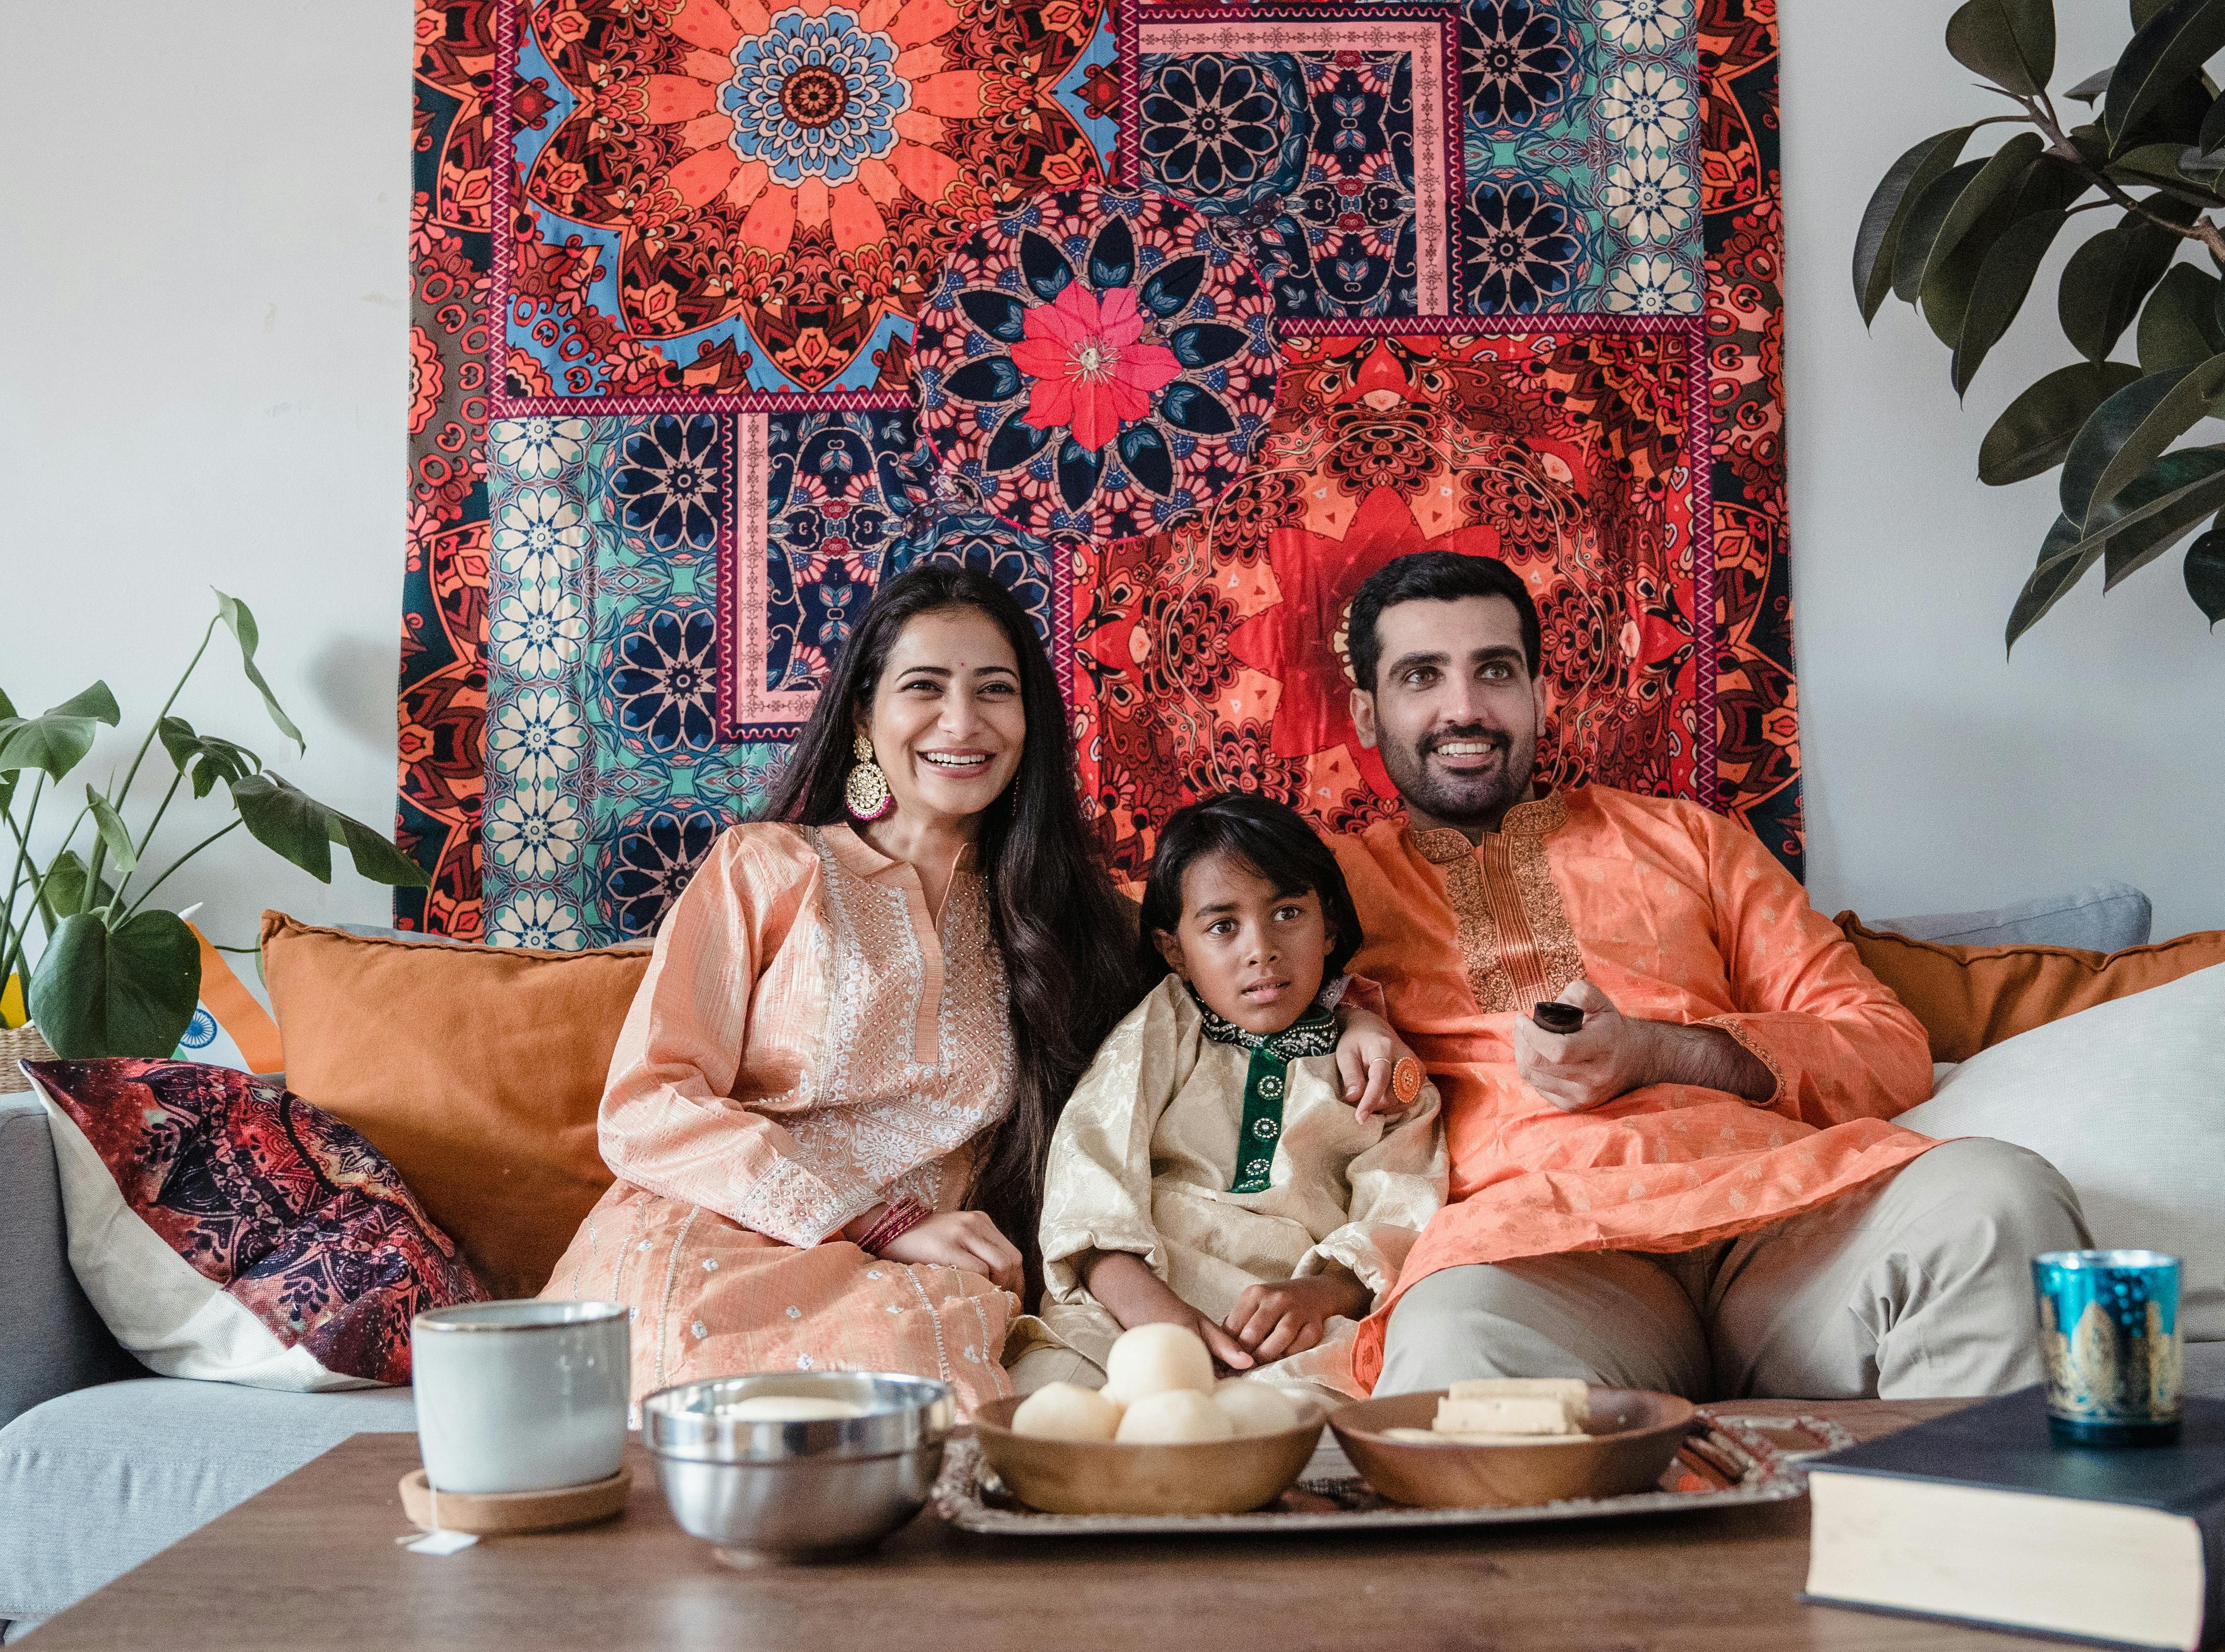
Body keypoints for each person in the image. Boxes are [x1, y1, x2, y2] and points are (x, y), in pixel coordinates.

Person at [543, 568, 1408, 1415]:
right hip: (717, 1233)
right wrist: (871, 1219)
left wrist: (1356, 1013)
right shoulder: (765, 869)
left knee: (921, 1410)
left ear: (1028, 722)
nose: (962, 721)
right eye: (924, 686)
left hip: (914, 1284)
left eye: (994, 691)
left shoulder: (1073, 921)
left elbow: (1236, 981)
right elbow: (648, 1102)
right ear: (862, 714)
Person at [1326, 552, 2089, 1403]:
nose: (1463, 709)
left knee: (1997, 1200)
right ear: (1367, 711)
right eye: (1421, 677)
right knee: (1454, 1355)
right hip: (1537, 1259)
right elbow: (1186, 961)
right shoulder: (1318, 894)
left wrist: (1659, 1052)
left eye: (1494, 671)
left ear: (1540, 692)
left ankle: (1939, 1536)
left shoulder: (1689, 843)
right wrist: (1346, 1010)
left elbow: (1885, 1046)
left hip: (1784, 1225)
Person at [1012, 793, 1446, 1406]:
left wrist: (1319, 1296)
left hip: (1294, 1318)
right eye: (1222, 926)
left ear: (1331, 929)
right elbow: (1091, 1169)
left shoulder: (1375, 1067)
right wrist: (1155, 1312)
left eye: (1288, 912)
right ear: (1174, 951)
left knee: (1300, 1423)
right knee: (1054, 1399)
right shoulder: (1165, 1024)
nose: (1260, 948)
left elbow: (1402, 1208)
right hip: (1139, 1297)